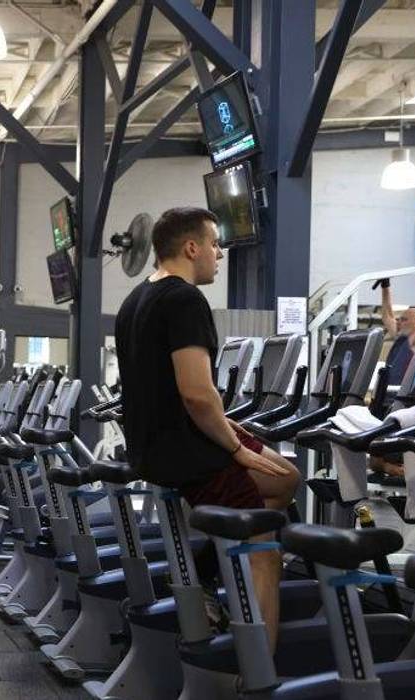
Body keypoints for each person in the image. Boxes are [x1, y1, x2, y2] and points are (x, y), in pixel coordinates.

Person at [114, 206, 301, 651]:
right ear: (191, 247)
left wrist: (228, 425)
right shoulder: (184, 299)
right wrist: (235, 449)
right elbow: (197, 393)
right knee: (264, 545)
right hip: (186, 453)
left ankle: (204, 570)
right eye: (215, 244)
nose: (220, 254)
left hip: (155, 447)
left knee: (286, 480)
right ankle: (257, 675)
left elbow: (167, 390)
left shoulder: (134, 300)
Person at [369, 264, 415, 477]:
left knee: (380, 450)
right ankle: (388, 468)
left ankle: (399, 471)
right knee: (374, 449)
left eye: (404, 319)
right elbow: (387, 316)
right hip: (387, 398)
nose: (399, 321)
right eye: (399, 319)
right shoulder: (401, 336)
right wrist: (386, 287)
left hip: (403, 403)